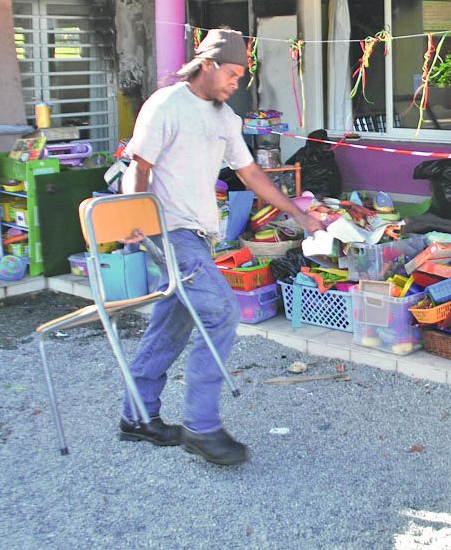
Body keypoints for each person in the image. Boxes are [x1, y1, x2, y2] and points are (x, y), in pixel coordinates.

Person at [117, 27, 323, 466]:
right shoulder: (167, 104)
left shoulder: (226, 119)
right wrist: (136, 218)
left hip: (197, 234)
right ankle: (202, 426)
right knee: (220, 311)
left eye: (240, 76)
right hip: (166, 228)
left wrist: (300, 214)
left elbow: (251, 175)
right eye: (230, 73)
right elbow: (141, 164)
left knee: (173, 323)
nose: (236, 83)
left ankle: (138, 415)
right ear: (206, 65)